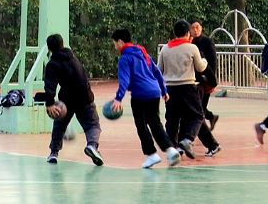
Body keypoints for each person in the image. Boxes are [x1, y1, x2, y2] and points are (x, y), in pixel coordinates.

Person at [108, 29, 181, 168]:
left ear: (120, 42)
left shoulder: (124, 58)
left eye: (114, 43)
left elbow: (124, 80)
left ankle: (151, 154)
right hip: (154, 91)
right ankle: (170, 149)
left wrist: (118, 98)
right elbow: (157, 72)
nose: (115, 47)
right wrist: (163, 90)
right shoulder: (142, 53)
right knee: (155, 122)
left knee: (141, 125)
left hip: (140, 94)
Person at [43, 34, 104, 166]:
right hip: (85, 96)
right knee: (92, 125)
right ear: (63, 44)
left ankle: (54, 153)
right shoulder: (74, 58)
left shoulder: (53, 64)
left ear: (49, 49)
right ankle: (92, 145)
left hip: (68, 99)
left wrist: (50, 103)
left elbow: (50, 84)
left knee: (59, 126)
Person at [158, 19, 210, 159]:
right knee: (197, 115)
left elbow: (159, 69)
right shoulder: (192, 48)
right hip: (187, 86)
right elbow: (200, 67)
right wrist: (205, 61)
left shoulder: (165, 48)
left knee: (172, 119)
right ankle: (188, 139)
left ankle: (172, 149)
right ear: (188, 33)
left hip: (170, 87)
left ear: (174, 33)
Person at [189, 19, 220, 130]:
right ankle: (211, 117)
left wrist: (211, 79)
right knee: (197, 107)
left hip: (205, 78)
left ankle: (202, 132)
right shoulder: (189, 42)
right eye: (193, 28)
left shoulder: (207, 42)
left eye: (197, 27)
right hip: (193, 78)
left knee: (200, 107)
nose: (195, 30)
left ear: (201, 28)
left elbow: (212, 61)